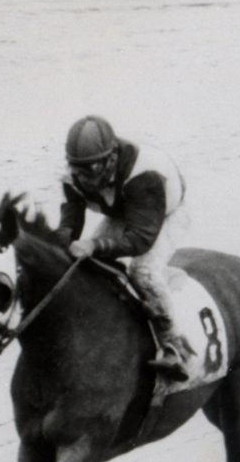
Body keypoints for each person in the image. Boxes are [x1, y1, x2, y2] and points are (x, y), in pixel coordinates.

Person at [55, 115, 194, 380]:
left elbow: (141, 239)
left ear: (111, 158)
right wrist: (56, 243)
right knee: (82, 264)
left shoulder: (145, 174)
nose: (84, 179)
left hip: (165, 214)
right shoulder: (74, 175)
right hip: (124, 210)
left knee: (142, 272)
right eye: (79, 171)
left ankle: (173, 346)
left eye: (91, 170)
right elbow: (71, 221)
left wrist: (95, 244)